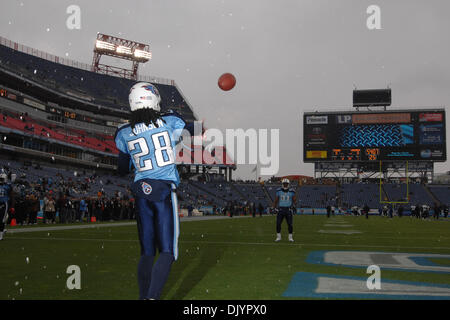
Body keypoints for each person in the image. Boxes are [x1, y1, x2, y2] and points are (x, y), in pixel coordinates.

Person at [115, 82, 197, 300]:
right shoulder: (169, 121)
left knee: (147, 253)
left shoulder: (123, 132)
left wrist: (136, 159)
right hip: (162, 191)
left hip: (141, 192)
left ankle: (144, 297)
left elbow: (122, 168)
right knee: (168, 252)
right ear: (154, 100)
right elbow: (193, 129)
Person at [0, 173, 13, 240]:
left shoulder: (7, 186)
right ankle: (3, 230)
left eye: (2, 179)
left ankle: (1, 236)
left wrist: (11, 181)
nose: (1, 180)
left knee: (2, 220)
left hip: (4, 204)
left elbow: (10, 189)